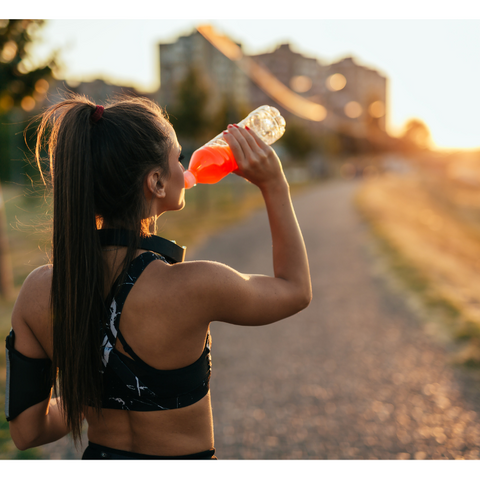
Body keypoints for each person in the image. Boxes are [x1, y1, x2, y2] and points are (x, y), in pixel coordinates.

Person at [5, 94, 311, 460]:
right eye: (179, 158)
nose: (186, 169)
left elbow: (26, 431)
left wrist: (95, 386)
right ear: (156, 182)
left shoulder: (39, 291)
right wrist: (274, 184)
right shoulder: (196, 285)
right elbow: (295, 290)